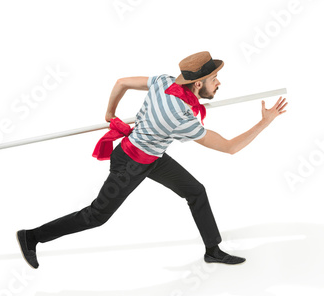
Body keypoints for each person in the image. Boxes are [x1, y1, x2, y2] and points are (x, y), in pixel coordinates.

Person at [17, 51, 288, 269]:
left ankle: (212, 250)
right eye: (214, 78)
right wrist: (264, 123)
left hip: (152, 156)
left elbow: (121, 82)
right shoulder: (180, 118)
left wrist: (110, 113)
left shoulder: (164, 81)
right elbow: (229, 147)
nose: (219, 83)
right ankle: (32, 236)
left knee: (195, 191)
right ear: (197, 83)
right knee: (96, 216)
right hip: (130, 164)